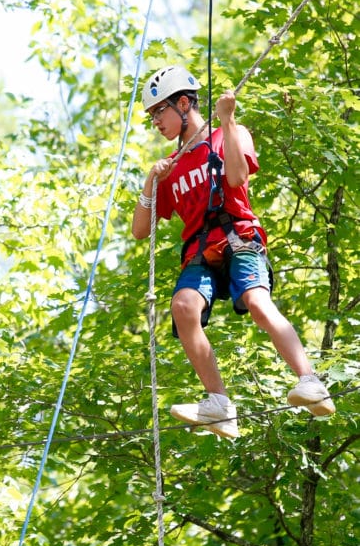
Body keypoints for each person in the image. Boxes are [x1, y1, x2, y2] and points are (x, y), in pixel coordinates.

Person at [130, 64, 335, 439]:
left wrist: (226, 121)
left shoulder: (231, 133)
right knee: (183, 306)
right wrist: (150, 181)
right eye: (152, 116)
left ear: (182, 103)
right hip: (200, 251)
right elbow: (140, 231)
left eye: (159, 111)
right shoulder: (171, 169)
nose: (155, 122)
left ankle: (311, 381)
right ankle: (219, 405)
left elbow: (238, 178)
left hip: (239, 237)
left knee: (257, 301)